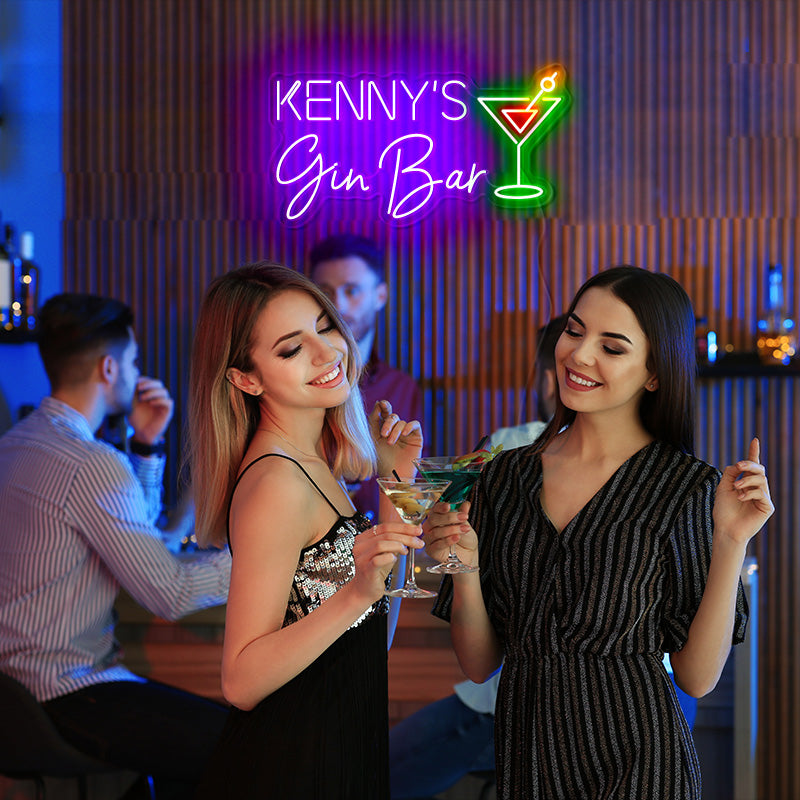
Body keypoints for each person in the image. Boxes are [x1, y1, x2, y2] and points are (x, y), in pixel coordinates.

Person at [424, 266, 773, 800]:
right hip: (529, 765)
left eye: (611, 347)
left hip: (644, 767)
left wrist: (731, 540)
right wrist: (464, 568)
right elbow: (478, 665)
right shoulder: (503, 476)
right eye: (574, 330)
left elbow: (697, 678)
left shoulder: (687, 487)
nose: (579, 355)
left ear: (654, 374)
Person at [187, 262, 424, 799]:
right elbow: (240, 681)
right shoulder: (277, 481)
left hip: (339, 750)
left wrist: (397, 484)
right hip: (290, 766)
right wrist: (356, 593)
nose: (326, 352)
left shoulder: (314, 465)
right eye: (292, 349)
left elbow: (372, 638)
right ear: (246, 379)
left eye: (325, 327)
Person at [0, 293, 232, 800]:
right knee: (242, 748)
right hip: (68, 691)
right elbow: (170, 592)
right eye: (133, 360)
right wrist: (267, 556)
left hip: (14, 699)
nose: (137, 373)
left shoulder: (14, 444)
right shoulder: (90, 461)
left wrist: (146, 444)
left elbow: (140, 543)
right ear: (109, 368)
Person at [388, 315, 565, 800]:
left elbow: (436, 509)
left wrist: (397, 474)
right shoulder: (659, 467)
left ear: (549, 379)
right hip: (661, 704)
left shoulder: (508, 445)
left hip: (509, 705)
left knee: (374, 772)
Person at [309, 233, 423, 522]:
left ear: (380, 296)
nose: (338, 305)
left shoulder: (401, 388)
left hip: (384, 537)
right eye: (325, 292)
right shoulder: (296, 382)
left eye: (352, 291)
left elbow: (413, 500)